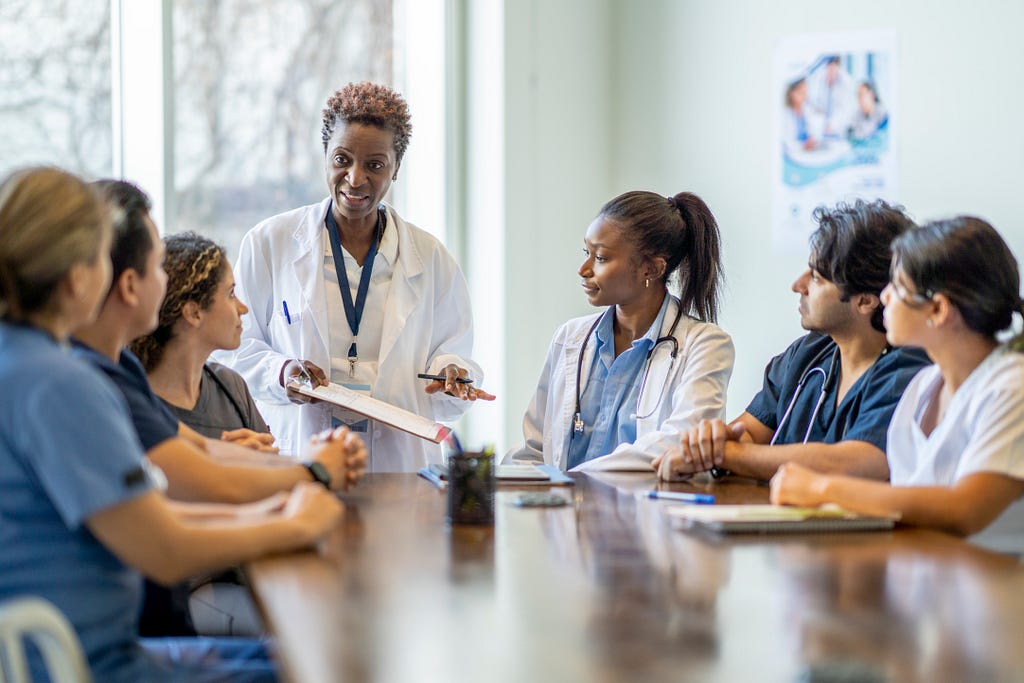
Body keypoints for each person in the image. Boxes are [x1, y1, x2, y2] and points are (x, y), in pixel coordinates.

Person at [0, 166, 345, 682]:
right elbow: (163, 548)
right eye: (103, 257)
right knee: (321, 666)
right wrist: (294, 521)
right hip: (89, 665)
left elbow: (152, 514)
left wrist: (274, 511)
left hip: (81, 651)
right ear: (77, 279)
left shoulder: (24, 360)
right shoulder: (60, 384)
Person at [73, 179, 366, 638]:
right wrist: (309, 480)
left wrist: (286, 492)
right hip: (129, 639)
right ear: (130, 284)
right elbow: (176, 515)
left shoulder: (117, 373)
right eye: (158, 268)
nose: (166, 280)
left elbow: (199, 460)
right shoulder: (82, 382)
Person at [219, 81, 493, 471]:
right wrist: (281, 373)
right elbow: (232, 349)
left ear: (396, 169)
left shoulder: (431, 259)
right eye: (342, 159)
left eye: (375, 165)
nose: (355, 178)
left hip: (400, 465)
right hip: (301, 453)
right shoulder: (269, 243)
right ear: (325, 158)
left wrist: (452, 373)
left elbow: (452, 356)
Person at [771, 217, 1024, 554]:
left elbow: (964, 510)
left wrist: (822, 488)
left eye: (898, 287)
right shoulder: (923, 387)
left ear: (937, 309)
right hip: (928, 585)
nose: (885, 295)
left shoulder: (1011, 387)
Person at [656, 199, 931, 482]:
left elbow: (861, 461)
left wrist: (726, 455)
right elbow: (750, 432)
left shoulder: (909, 367)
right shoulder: (809, 352)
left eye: (816, 277)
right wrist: (713, 441)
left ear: (864, 301)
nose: (798, 285)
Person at [507, 190, 734, 471]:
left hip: (647, 512)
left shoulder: (705, 346)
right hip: (564, 511)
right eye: (586, 253)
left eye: (601, 258)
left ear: (651, 268)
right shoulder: (569, 338)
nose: (583, 269)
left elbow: (681, 444)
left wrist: (571, 480)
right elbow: (536, 449)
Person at [131, 232, 274, 451]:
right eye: (231, 294)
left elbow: (274, 469)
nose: (243, 309)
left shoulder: (230, 386)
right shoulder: (134, 402)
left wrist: (258, 460)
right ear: (194, 313)